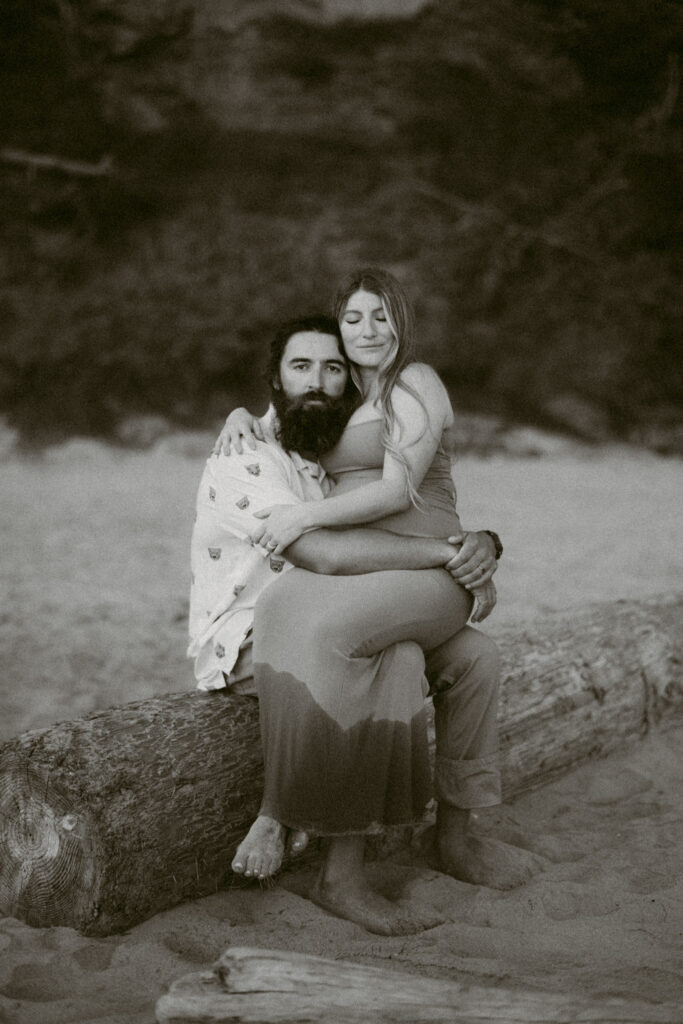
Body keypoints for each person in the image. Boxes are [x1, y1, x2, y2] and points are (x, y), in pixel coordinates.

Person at [191, 290, 539, 933]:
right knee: (394, 654)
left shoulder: (314, 447)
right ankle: (336, 869)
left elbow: (396, 480)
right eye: (302, 368)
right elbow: (321, 552)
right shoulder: (244, 457)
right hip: (251, 640)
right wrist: (447, 555)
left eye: (333, 369)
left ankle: (456, 834)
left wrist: (483, 543)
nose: (319, 382)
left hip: (339, 610)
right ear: (277, 380)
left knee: (478, 657)